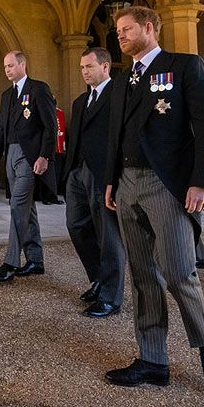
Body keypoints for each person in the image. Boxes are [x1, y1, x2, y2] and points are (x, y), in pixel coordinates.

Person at [104, 6, 204, 395]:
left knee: (178, 273)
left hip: (167, 184)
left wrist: (203, 182)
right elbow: (115, 135)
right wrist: (110, 181)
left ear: (148, 27)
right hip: (127, 184)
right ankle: (153, 360)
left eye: (126, 29)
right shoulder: (124, 79)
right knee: (142, 276)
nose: (120, 36)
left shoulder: (185, 66)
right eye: (118, 31)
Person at [63, 47, 126, 318]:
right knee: (76, 226)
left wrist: (115, 176)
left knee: (109, 236)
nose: (84, 72)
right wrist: (67, 173)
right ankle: (99, 278)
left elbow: (121, 139)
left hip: (104, 174)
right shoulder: (80, 102)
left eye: (89, 66)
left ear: (105, 67)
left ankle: (111, 297)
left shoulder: (119, 96)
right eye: (81, 68)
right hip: (77, 173)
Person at [0, 51, 57, 282]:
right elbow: (0, 130)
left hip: (29, 157)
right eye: (5, 66)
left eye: (10, 65)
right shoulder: (7, 95)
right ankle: (35, 260)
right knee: (27, 208)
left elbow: (51, 125)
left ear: (22, 64)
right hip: (10, 154)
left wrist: (44, 156)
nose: (7, 70)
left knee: (18, 206)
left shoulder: (38, 89)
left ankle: (10, 262)